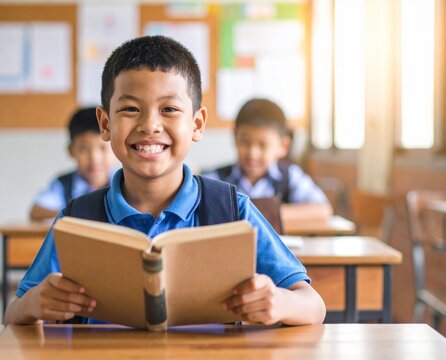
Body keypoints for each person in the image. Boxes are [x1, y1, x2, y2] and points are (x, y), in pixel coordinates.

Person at [5, 36, 326, 326]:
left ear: (197, 123)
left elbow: (313, 304)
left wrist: (279, 302)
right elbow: (14, 311)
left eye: (169, 108)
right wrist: (35, 303)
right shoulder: (77, 218)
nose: (150, 125)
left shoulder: (231, 209)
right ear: (105, 123)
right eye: (131, 108)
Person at [202, 98, 331, 207]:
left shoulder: (291, 177)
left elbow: (322, 210)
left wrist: (254, 215)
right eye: (245, 142)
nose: (253, 153)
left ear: (283, 146)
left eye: (263, 145)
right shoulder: (214, 180)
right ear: (235, 138)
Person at [29, 107, 116, 221]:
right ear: (71, 151)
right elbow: (36, 212)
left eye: (103, 148)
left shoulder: (125, 183)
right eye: (83, 149)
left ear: (115, 147)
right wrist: (73, 213)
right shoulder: (63, 184)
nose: (94, 159)